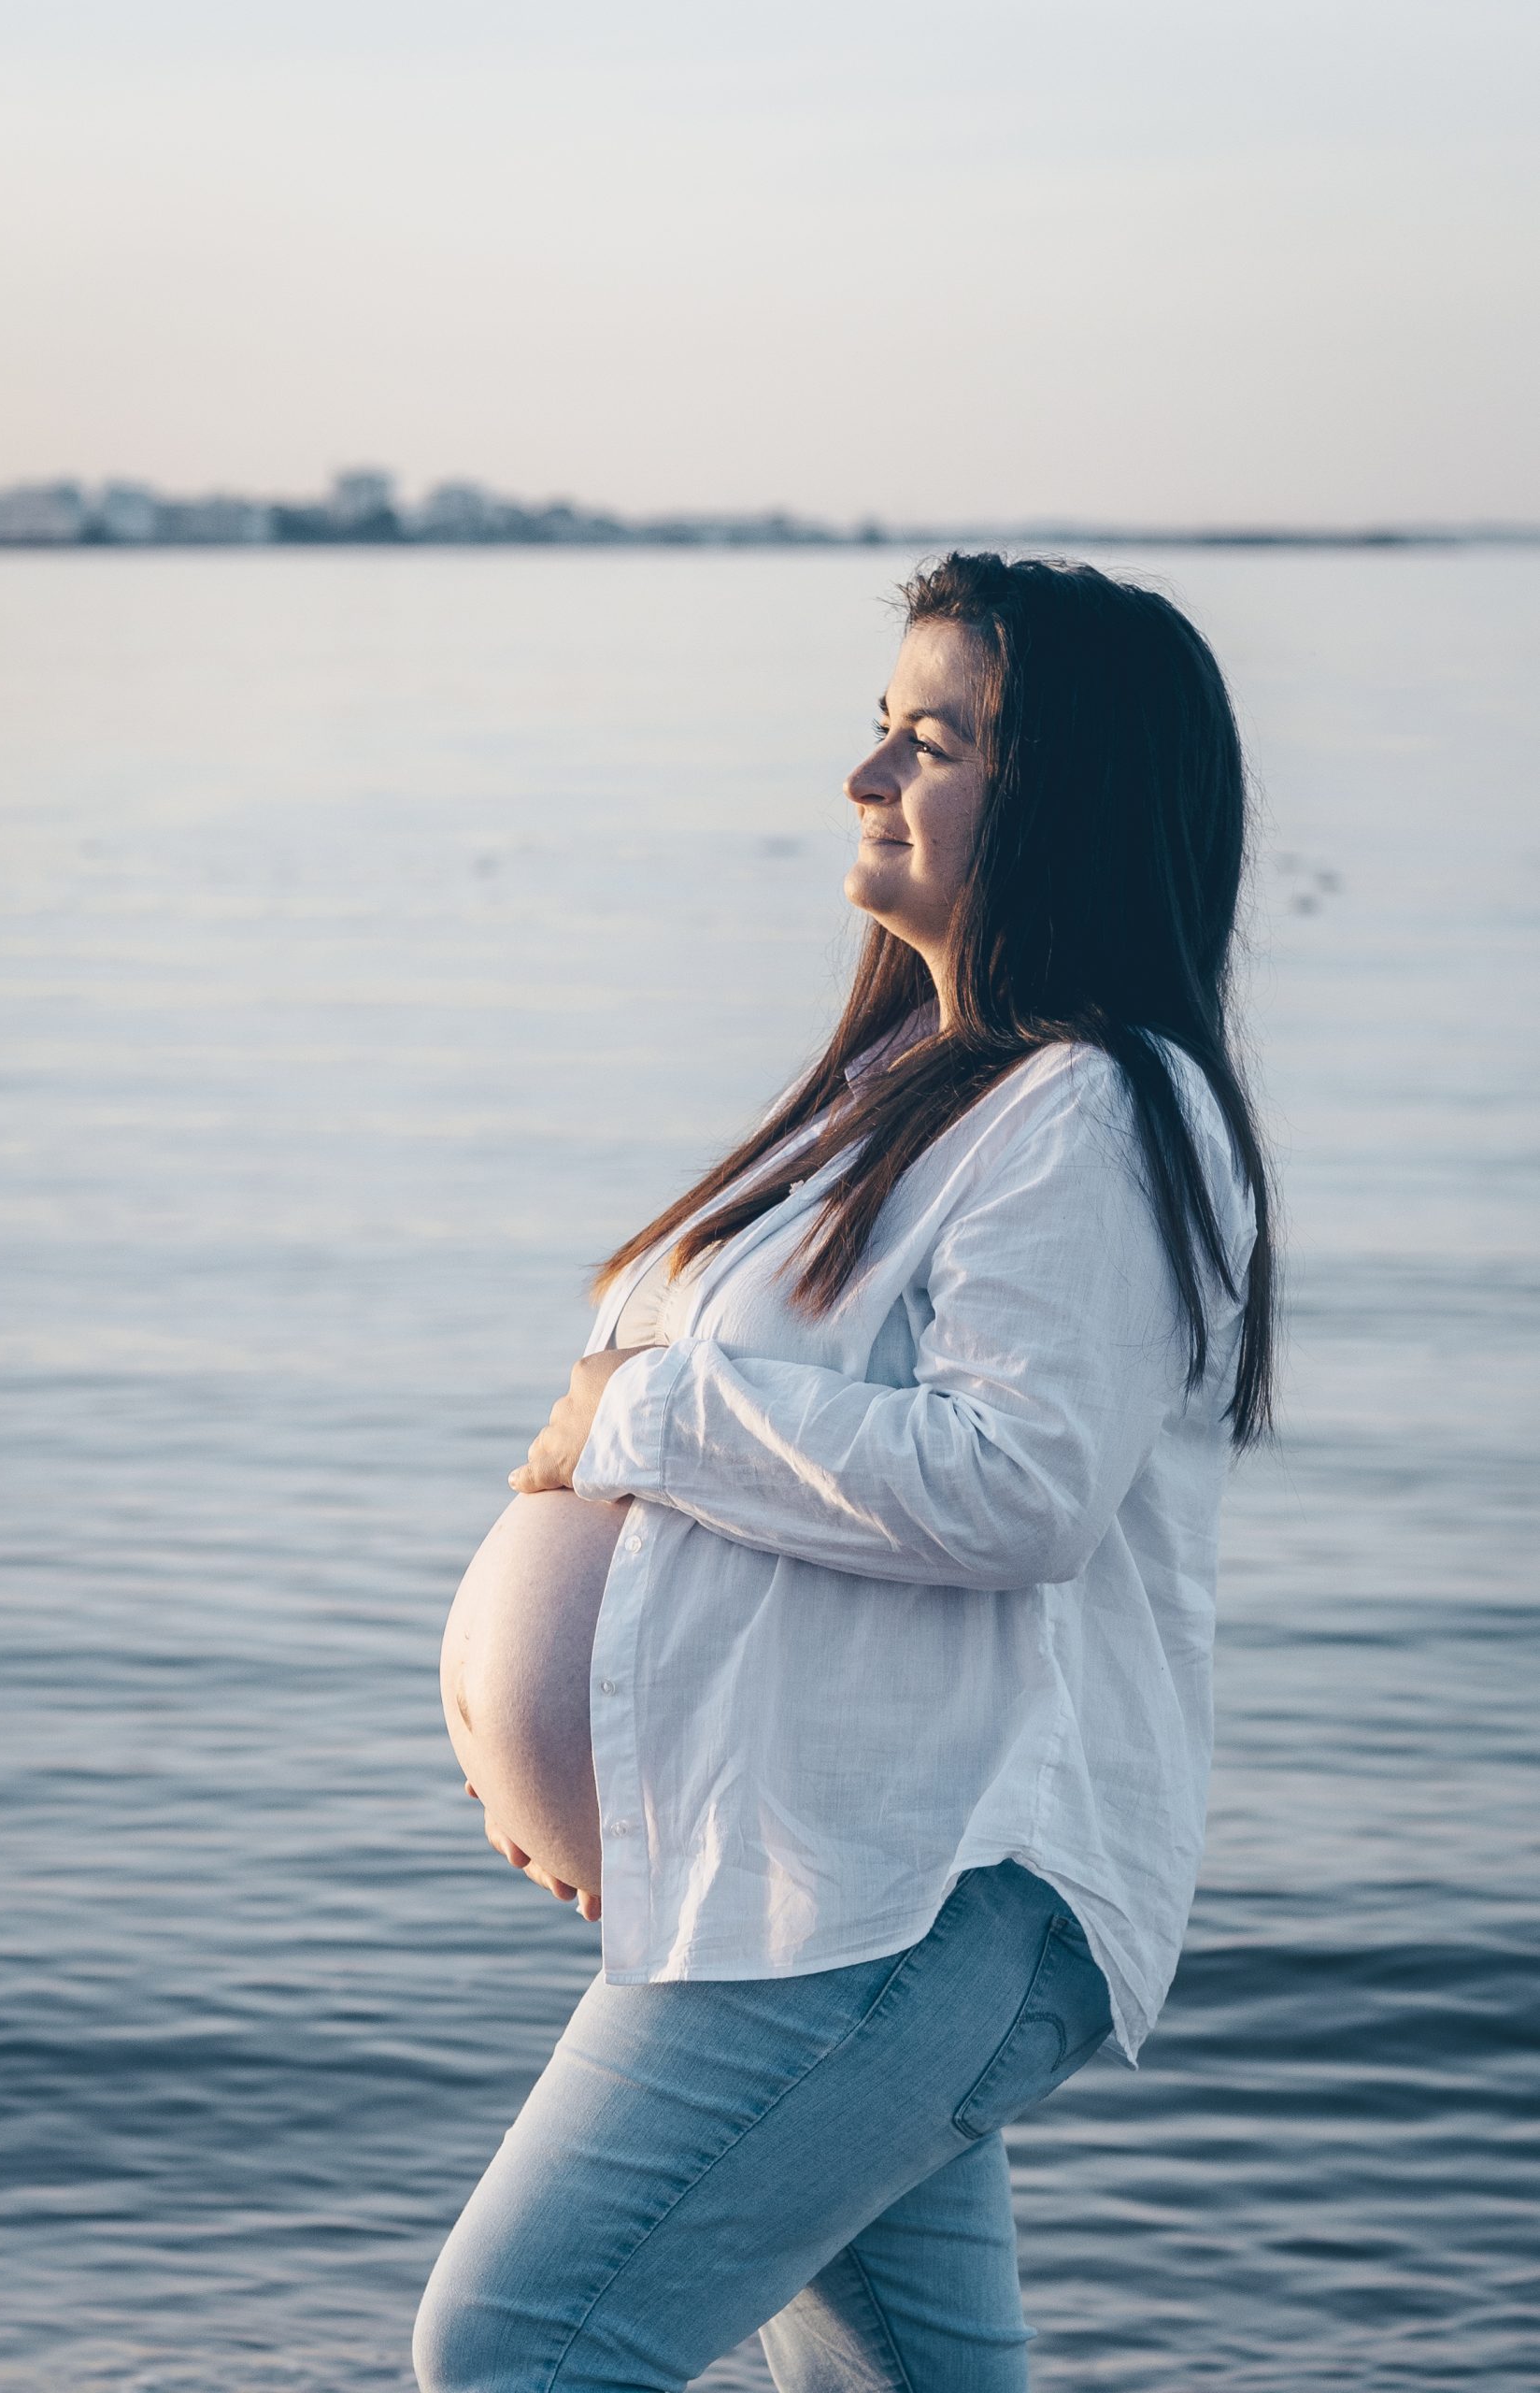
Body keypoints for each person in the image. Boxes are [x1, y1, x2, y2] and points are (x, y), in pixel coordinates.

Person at [413, 552, 1276, 2392]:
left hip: (930, 1883)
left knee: (516, 2341)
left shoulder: (1092, 1104)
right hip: (803, 1872)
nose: (865, 776)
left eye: (932, 743)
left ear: (1068, 801)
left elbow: (1018, 1484)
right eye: (881, 727)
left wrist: (638, 1413)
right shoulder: (905, 1079)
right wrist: (580, 1761)